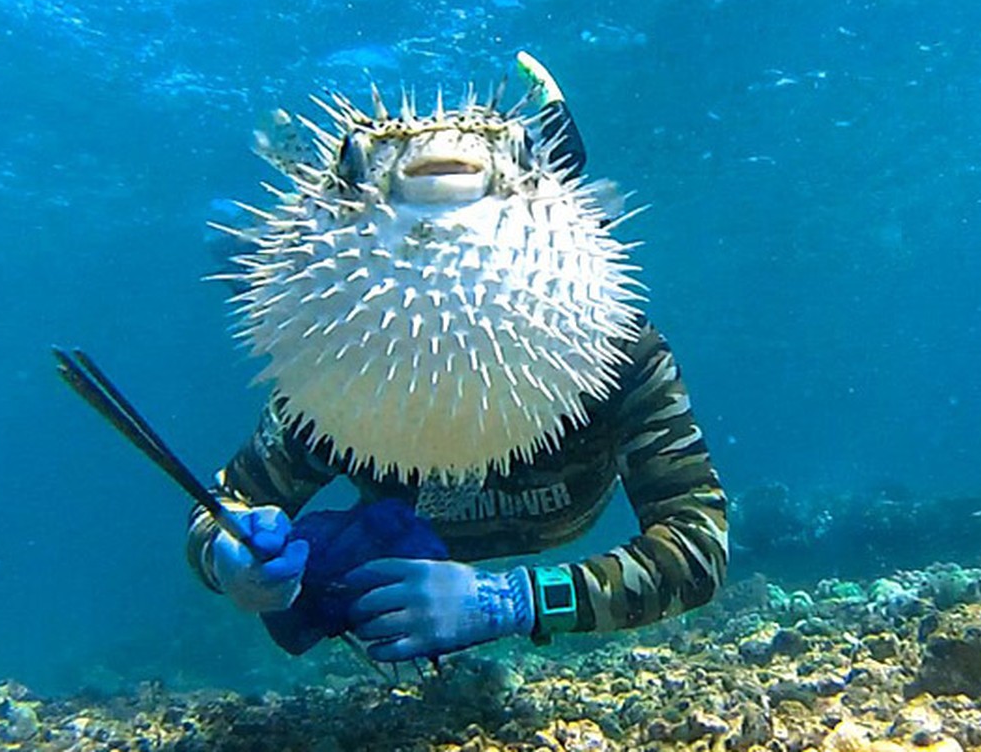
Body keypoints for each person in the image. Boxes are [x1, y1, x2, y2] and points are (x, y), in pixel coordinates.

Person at [186, 54, 729, 663]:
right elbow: (218, 508)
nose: (439, 172)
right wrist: (233, 558)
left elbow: (699, 548)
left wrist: (515, 600)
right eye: (358, 166)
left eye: (516, 156)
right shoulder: (331, 362)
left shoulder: (619, 351)